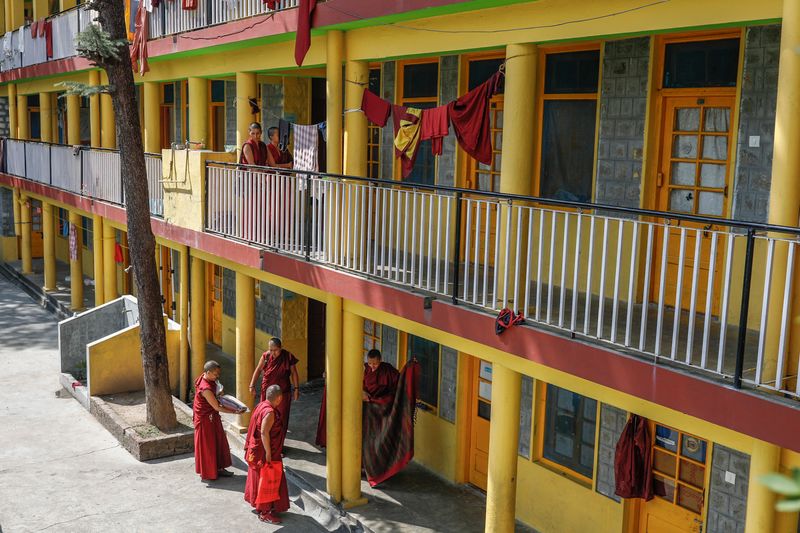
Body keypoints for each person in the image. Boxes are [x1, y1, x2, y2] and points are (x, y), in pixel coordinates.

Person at [244, 384, 290, 524]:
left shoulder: (261, 405)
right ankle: (265, 512)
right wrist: (269, 453)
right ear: (279, 398)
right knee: (268, 479)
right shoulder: (269, 412)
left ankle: (262, 506)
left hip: (257, 449)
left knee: (260, 477)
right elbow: (264, 432)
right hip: (266, 451)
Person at [193, 360, 241, 482]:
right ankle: (210, 473)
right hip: (206, 419)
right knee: (209, 445)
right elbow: (217, 407)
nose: (217, 377)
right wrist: (234, 411)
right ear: (207, 372)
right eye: (215, 374)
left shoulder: (207, 379)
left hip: (212, 417)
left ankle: (219, 468)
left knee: (218, 442)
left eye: (218, 374)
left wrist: (219, 392)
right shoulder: (206, 389)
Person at [249, 338, 299, 450]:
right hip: (267, 392)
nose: (272, 353)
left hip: (283, 393)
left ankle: (278, 447)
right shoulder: (266, 356)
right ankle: (264, 444)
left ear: (280, 348)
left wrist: (296, 389)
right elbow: (258, 370)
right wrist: (252, 385)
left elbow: (294, 373)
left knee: (281, 419)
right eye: (270, 350)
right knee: (265, 416)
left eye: (275, 350)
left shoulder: (288, 356)